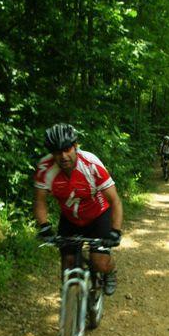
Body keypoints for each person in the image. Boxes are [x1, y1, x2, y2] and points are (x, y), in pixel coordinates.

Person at [33, 123, 123, 296]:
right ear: (52, 153)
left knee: (100, 263)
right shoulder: (45, 168)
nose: (63, 156)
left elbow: (115, 201)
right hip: (70, 218)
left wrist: (115, 231)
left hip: (98, 215)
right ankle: (72, 304)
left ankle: (110, 272)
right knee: (68, 264)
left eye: (67, 149)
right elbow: (39, 200)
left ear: (75, 146)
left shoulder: (91, 164)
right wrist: (44, 226)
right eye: (57, 152)